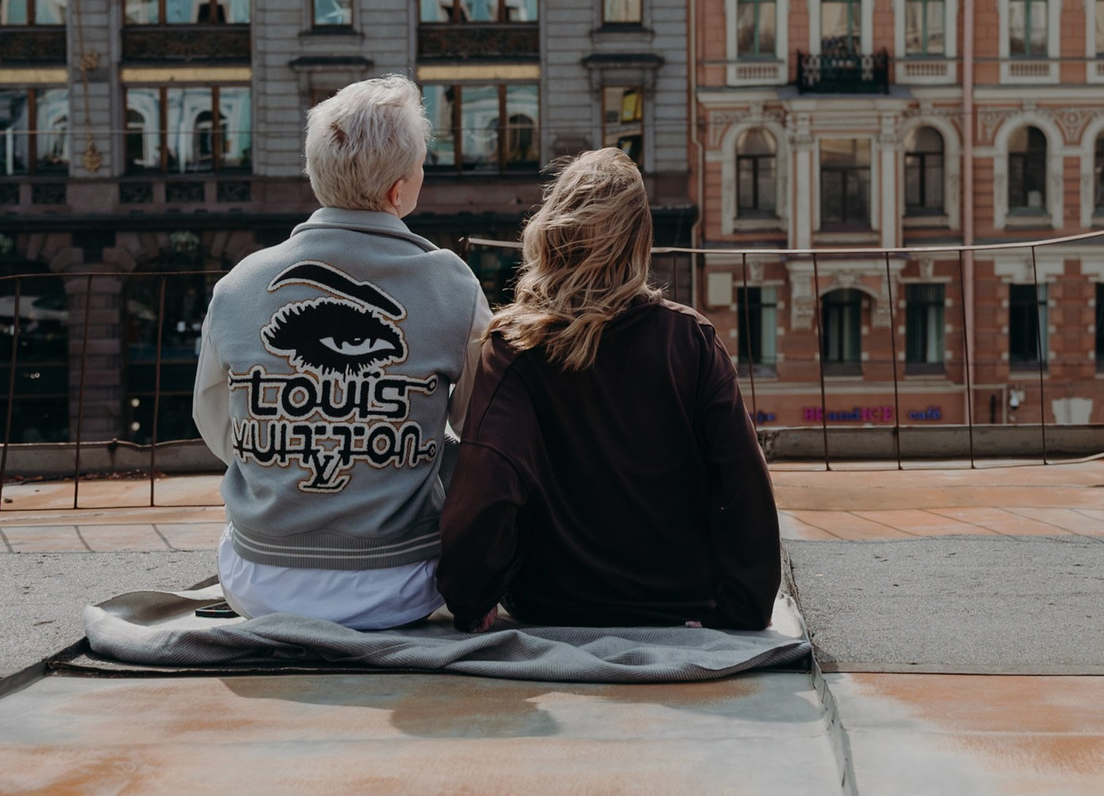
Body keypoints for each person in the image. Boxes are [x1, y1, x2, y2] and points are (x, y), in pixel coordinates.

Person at [438, 147, 780, 630]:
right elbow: (743, 480)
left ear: (551, 231)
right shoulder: (691, 340)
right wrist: (746, 607)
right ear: (640, 242)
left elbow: (487, 489)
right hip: (681, 605)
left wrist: (470, 599)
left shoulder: (514, 347)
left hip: (551, 608)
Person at [192, 75, 490, 628]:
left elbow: (216, 423)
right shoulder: (452, 285)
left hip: (258, 582)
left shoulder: (237, 285)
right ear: (398, 192)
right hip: (399, 585)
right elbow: (484, 427)